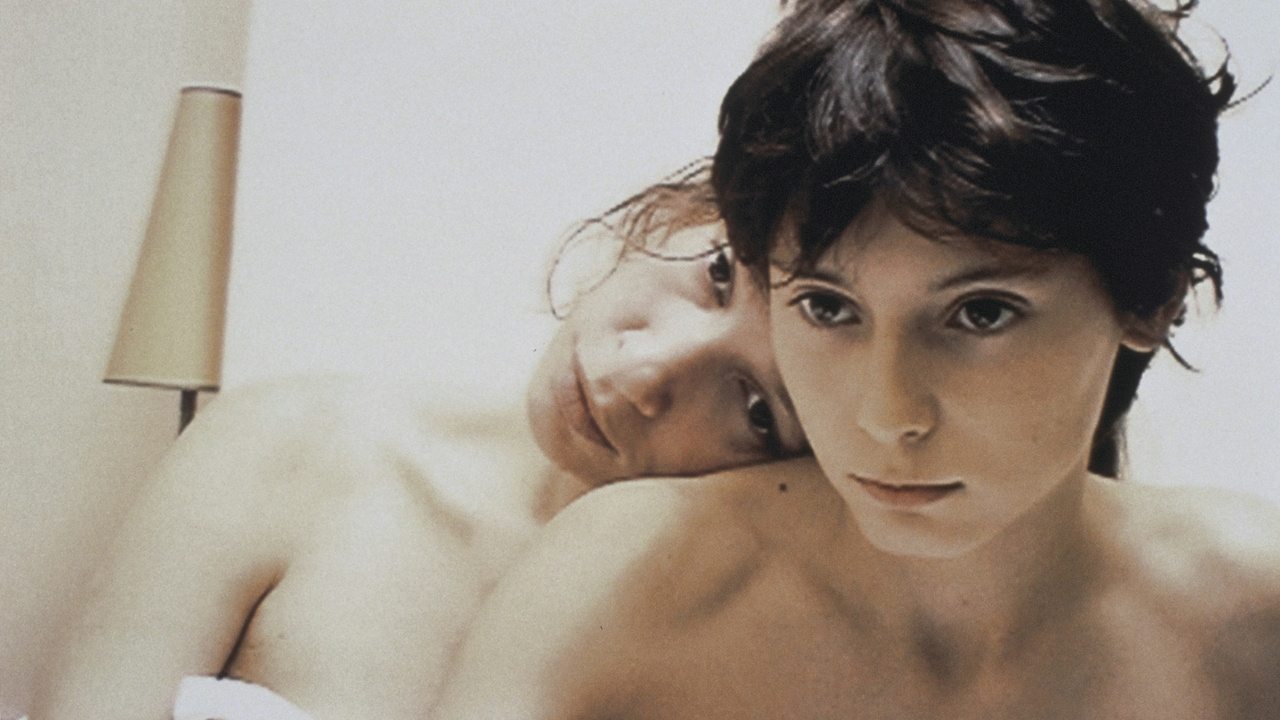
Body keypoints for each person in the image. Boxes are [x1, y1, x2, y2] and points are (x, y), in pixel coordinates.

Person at [431, 1, 1280, 718]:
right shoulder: (627, 576)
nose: (887, 414)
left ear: (1152, 298)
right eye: (828, 307)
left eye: (981, 313)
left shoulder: (1251, 611)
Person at [28, 168, 807, 720]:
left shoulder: (751, 644)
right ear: (677, 212)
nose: (643, 372)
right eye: (717, 273)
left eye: (756, 410)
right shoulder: (297, 446)